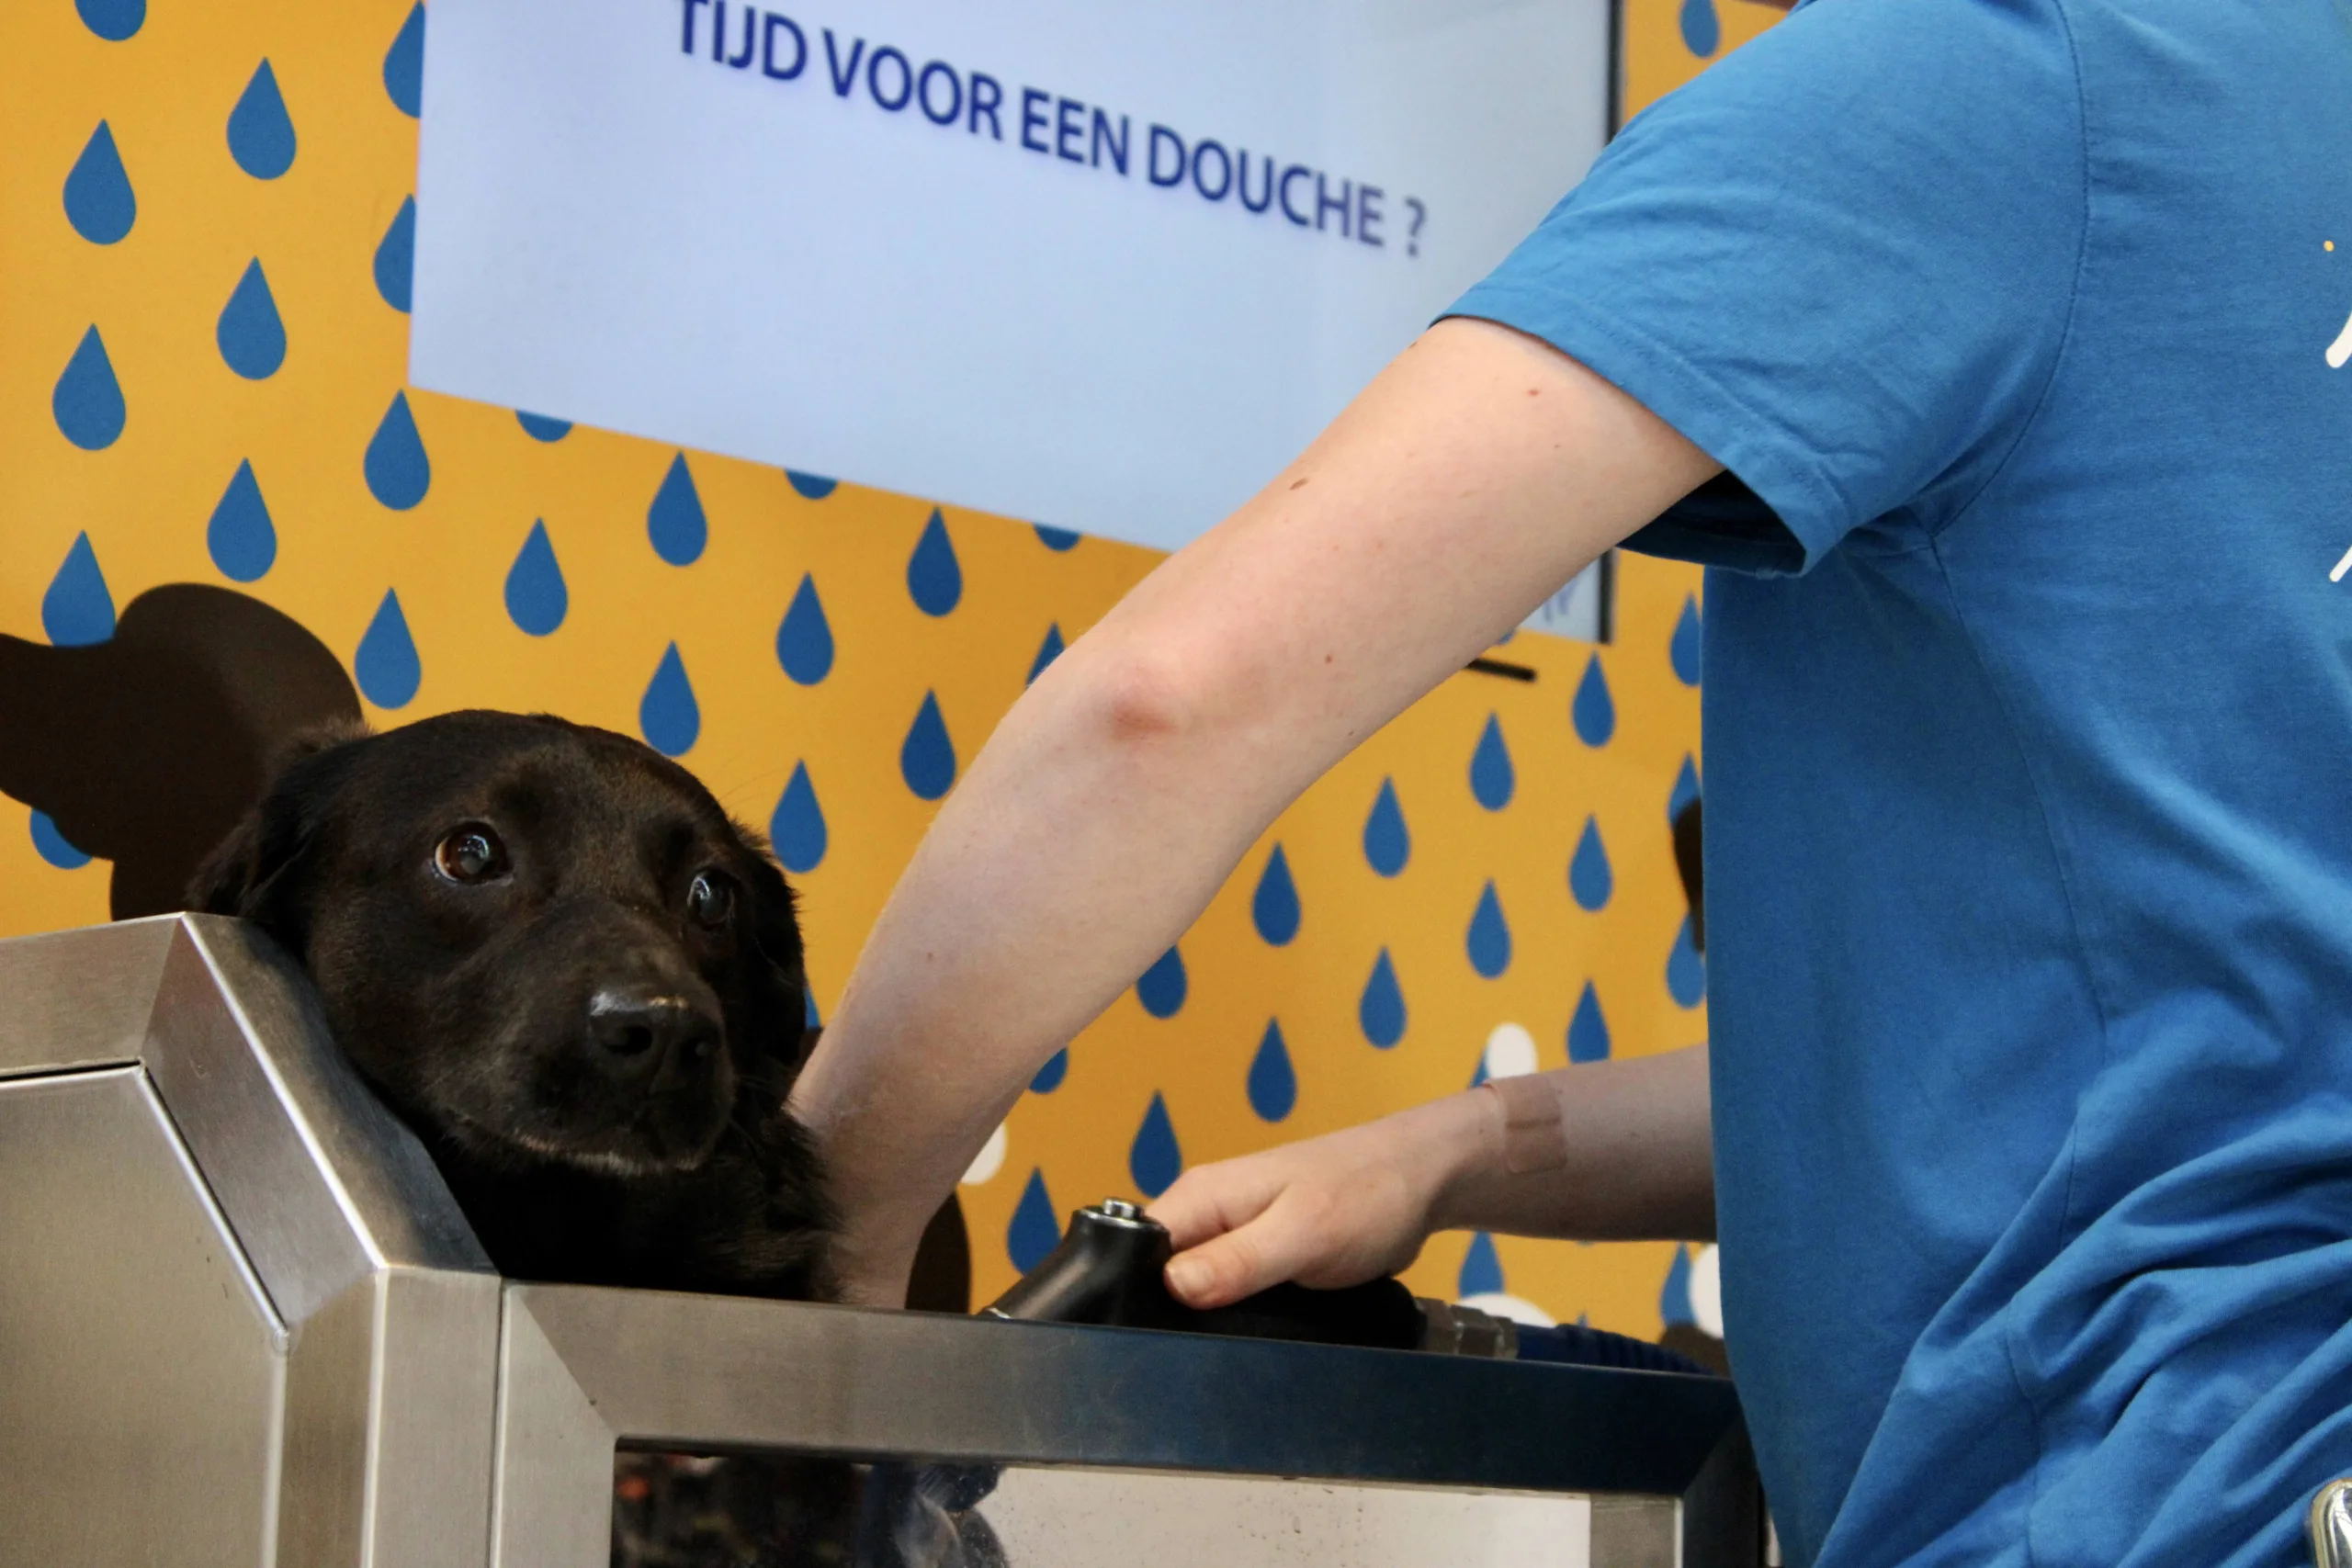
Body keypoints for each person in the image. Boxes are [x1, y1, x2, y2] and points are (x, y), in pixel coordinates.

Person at [792, 0, 2352, 1561]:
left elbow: (1167, 706)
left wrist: (814, 1262)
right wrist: (1455, 1150)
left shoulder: (1994, 70)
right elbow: (2179, 1038)